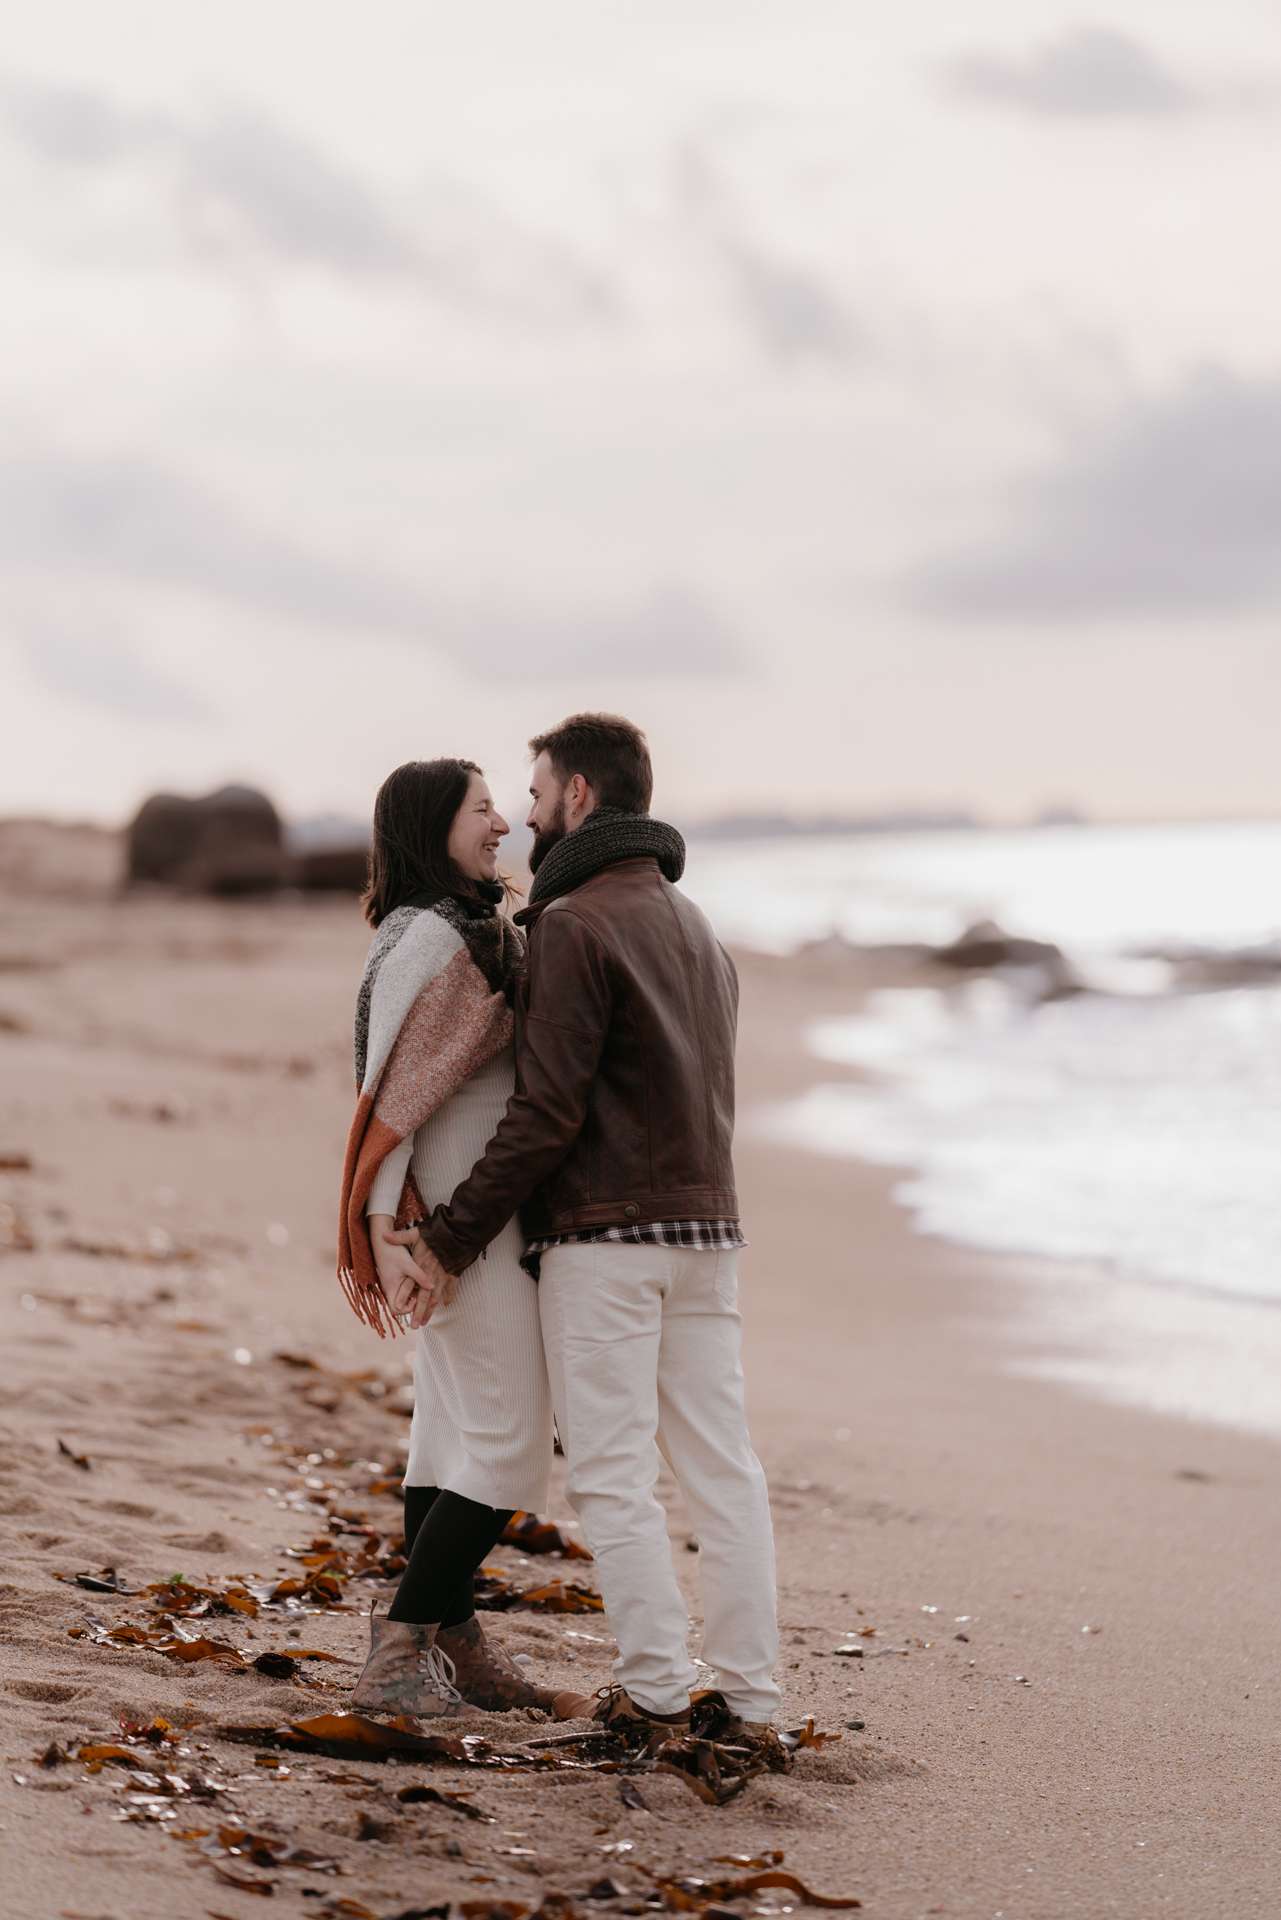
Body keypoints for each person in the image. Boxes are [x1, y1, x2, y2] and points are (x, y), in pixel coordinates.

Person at [398, 713, 781, 1736]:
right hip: (711, 1236)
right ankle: (749, 1698)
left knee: (615, 1479)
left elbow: (547, 1113)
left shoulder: (573, 925)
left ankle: (655, 1694)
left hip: (607, 1244)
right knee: (723, 1469)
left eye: (532, 799)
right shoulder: (702, 932)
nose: (523, 823)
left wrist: (448, 1236)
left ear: (577, 795)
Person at [336, 757, 573, 1719]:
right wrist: (385, 1228)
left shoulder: (470, 932)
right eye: (482, 810)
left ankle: (455, 1641)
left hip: (473, 1215)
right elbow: (393, 1097)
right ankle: (396, 1654)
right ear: (433, 825)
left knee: (445, 1435)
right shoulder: (433, 941)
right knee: (513, 1442)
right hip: (454, 1227)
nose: (502, 826)